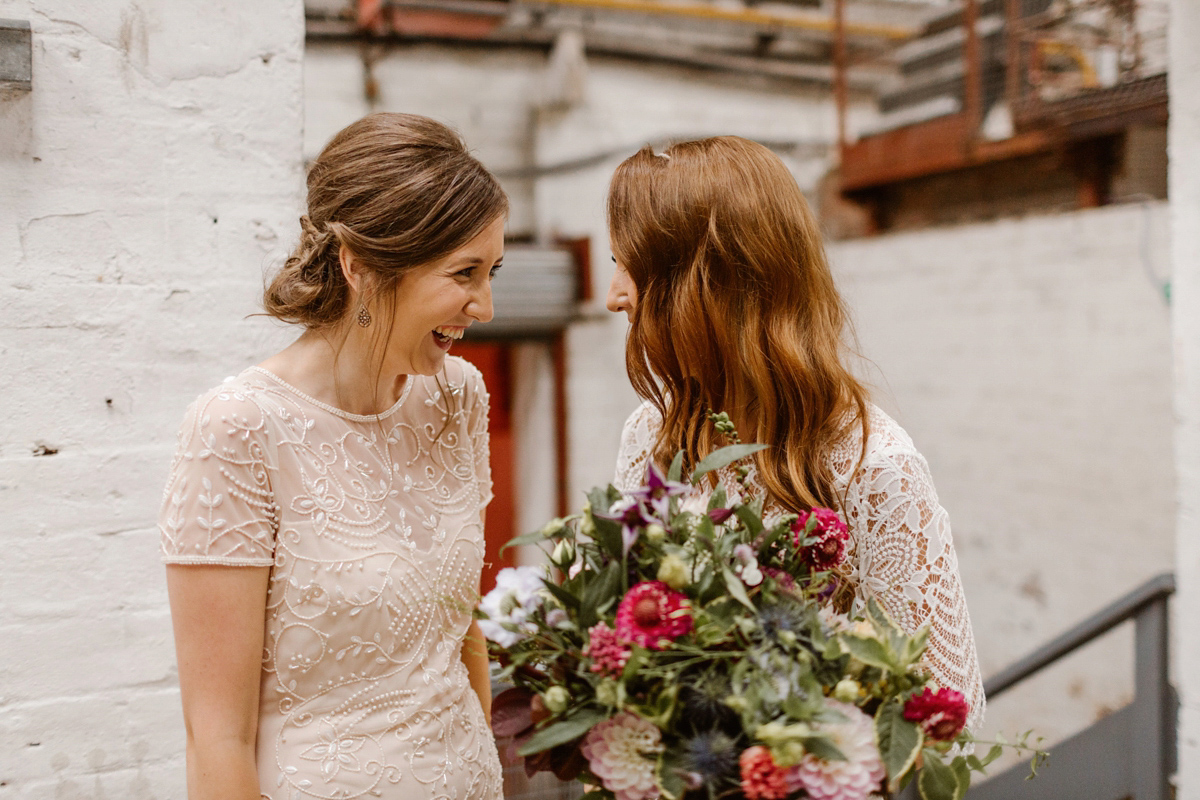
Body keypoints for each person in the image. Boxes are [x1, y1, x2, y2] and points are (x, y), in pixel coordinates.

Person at [159, 113, 506, 800]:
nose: (487, 306)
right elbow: (215, 739)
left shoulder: (457, 396)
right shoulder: (239, 429)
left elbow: (460, 632)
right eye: (465, 273)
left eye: (492, 270)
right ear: (361, 267)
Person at [605, 136, 985, 731]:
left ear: (707, 286)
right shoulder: (649, 434)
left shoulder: (874, 467)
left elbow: (939, 713)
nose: (614, 297)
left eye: (632, 268)